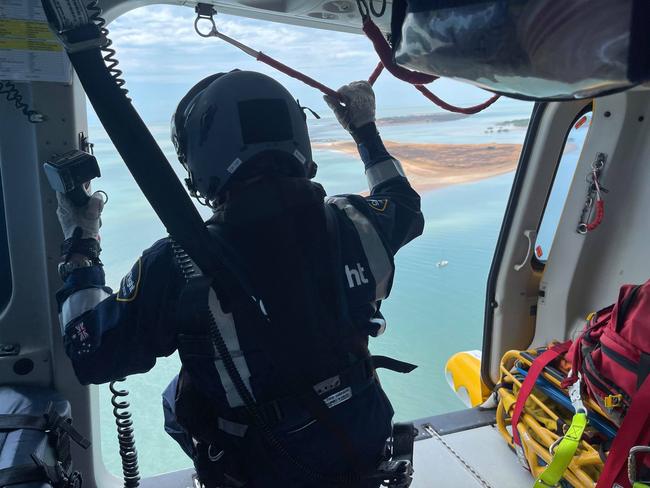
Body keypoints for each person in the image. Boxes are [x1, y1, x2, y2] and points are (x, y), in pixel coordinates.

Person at [55, 70, 424, 487]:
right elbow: (403, 203)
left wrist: (80, 239)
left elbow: (88, 350)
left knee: (178, 399)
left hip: (267, 471)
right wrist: (364, 129)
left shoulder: (178, 262)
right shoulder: (355, 223)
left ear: (202, 158)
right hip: (366, 451)